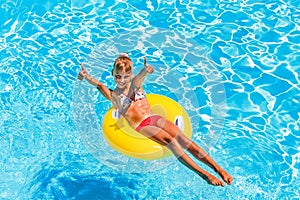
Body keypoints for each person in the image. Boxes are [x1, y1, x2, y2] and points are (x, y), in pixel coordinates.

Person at [78, 53, 233, 186]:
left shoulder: (135, 85)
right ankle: (204, 174)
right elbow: (99, 85)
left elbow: (140, 77)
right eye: (118, 76)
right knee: (170, 141)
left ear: (130, 75)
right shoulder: (114, 96)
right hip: (141, 125)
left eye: (126, 76)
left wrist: (146, 70)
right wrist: (85, 76)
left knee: (183, 138)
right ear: (112, 74)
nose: (122, 80)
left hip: (154, 118)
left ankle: (218, 168)